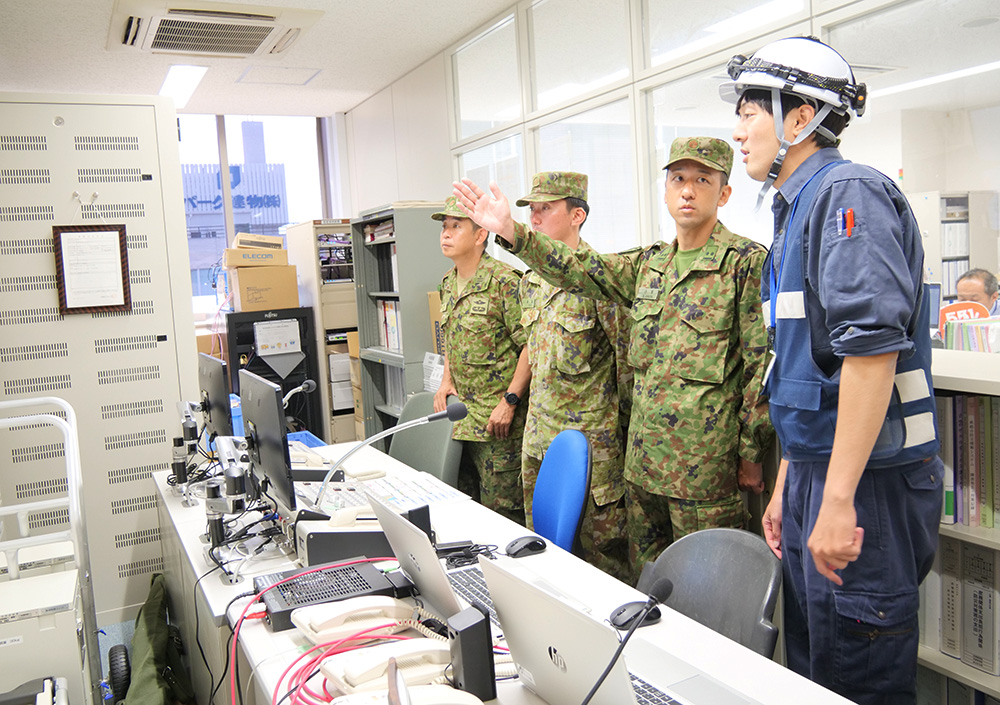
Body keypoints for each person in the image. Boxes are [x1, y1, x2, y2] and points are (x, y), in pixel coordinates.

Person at [723, 36, 943, 704]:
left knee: (859, 679)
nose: (737, 131)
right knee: (819, 672)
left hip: (867, 485)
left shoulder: (850, 195)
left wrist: (838, 496)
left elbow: (871, 358)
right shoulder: (795, 210)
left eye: (750, 112)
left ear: (800, 118)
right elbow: (808, 372)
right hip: (821, 474)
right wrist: (793, 480)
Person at [453, 138, 773, 580]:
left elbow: (762, 365)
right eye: (677, 179)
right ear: (664, 191)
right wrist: (514, 233)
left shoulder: (745, 263)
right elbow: (580, 268)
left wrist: (751, 451)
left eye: (703, 181)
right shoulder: (649, 265)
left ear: (723, 194)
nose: (687, 190)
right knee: (646, 592)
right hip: (642, 470)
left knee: (708, 592)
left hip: (702, 472)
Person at [513, 171, 631, 582]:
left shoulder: (601, 283)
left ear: (577, 214)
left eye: (545, 208)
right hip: (538, 440)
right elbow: (533, 343)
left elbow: (626, 365)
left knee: (605, 564)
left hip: (592, 447)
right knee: (541, 556)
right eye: (531, 209)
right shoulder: (529, 279)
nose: (535, 217)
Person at [431, 196, 531, 525]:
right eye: (444, 227)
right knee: (464, 511)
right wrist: (446, 379)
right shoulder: (447, 283)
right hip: (461, 421)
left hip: (498, 424)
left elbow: (531, 347)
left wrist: (510, 400)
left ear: (479, 235)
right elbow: (451, 336)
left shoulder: (505, 282)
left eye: (455, 226)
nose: (445, 234)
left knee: (503, 518)